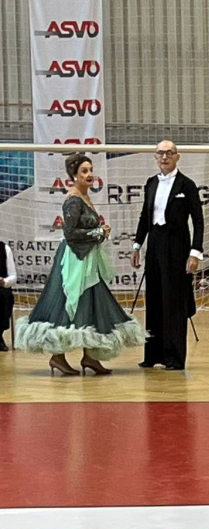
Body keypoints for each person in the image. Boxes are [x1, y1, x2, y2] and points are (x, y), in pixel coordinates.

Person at [15, 154, 145, 375]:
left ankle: (90, 357)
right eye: (84, 171)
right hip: (75, 261)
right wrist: (98, 232)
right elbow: (70, 233)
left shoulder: (84, 197)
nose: (89, 174)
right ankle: (58, 357)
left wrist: (100, 233)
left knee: (90, 303)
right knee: (70, 302)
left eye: (91, 170)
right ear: (74, 176)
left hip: (87, 260)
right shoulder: (74, 199)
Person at [132, 140, 204, 370]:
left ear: (177, 157)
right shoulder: (151, 183)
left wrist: (195, 253)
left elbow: (198, 221)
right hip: (154, 243)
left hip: (177, 246)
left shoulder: (187, 185)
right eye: (160, 153)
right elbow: (145, 216)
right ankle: (153, 355)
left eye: (169, 153)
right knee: (153, 298)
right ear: (155, 157)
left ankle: (174, 357)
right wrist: (137, 245)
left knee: (173, 302)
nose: (164, 157)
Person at [0, 236, 15, 351]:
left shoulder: (4, 248)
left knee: (6, 295)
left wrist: (4, 281)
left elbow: (13, 276)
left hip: (0, 288)